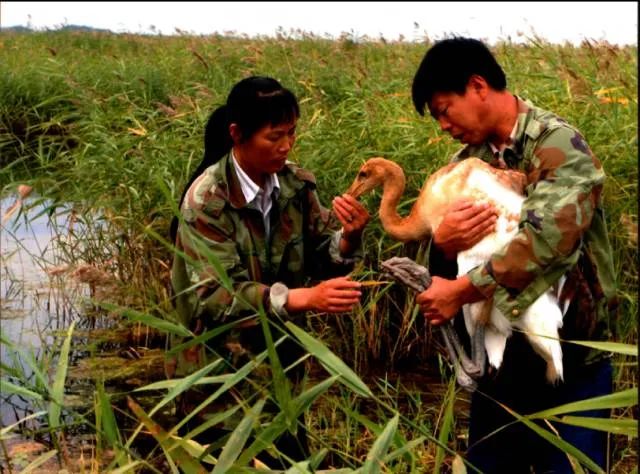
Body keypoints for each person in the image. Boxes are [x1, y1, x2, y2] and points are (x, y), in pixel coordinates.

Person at [410, 37, 617, 473]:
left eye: (445, 110)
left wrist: (463, 291)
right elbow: (450, 251)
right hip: (501, 363)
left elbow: (548, 241)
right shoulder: (468, 163)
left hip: (571, 358)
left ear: (478, 85)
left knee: (571, 467)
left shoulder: (557, 145)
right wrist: (444, 245)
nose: (443, 125)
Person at [166, 76, 370, 467]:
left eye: (292, 133)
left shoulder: (296, 184)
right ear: (237, 134)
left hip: (281, 369)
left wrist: (347, 238)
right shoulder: (207, 202)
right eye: (274, 136)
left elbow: (320, 253)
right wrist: (302, 298)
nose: (286, 146)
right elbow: (214, 297)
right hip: (218, 378)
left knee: (288, 459)